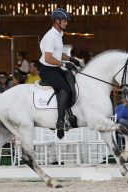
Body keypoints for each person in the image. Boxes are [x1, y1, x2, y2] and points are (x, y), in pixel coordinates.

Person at [38, 8, 81, 139]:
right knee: (65, 89)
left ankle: (70, 112)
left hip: (55, 67)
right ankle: (60, 121)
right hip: (47, 69)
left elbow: (57, 53)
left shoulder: (58, 34)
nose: (66, 23)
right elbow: (48, 58)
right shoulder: (50, 36)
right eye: (64, 21)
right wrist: (63, 64)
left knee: (71, 79)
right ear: (57, 21)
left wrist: (71, 59)